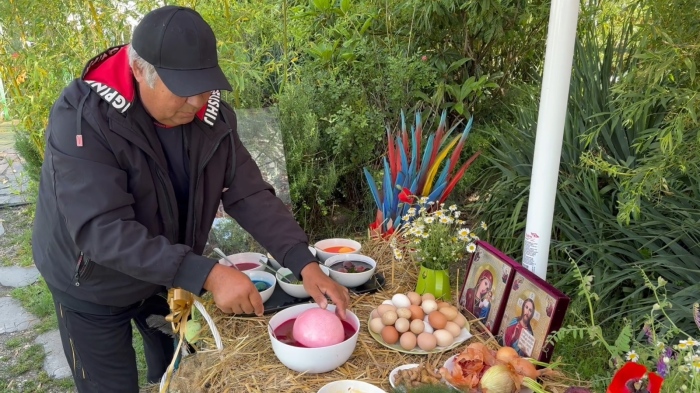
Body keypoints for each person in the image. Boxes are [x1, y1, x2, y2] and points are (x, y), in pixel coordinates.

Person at [31, 6, 350, 392]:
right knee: (108, 386)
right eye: (184, 89)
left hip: (163, 272)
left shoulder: (211, 118)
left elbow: (247, 192)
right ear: (139, 70)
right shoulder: (84, 118)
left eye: (206, 85)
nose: (198, 101)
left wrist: (303, 261)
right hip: (89, 284)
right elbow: (102, 231)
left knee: (178, 371)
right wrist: (208, 274)